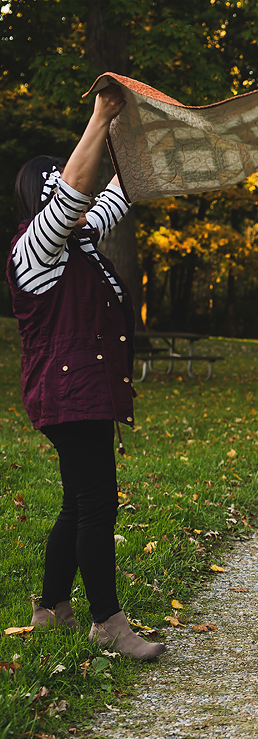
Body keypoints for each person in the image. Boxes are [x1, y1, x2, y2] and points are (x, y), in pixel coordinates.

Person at [6, 86, 166, 660]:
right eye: (58, 183)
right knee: (97, 503)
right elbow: (74, 196)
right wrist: (98, 118)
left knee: (78, 501)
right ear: (41, 198)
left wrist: (146, 136)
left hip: (84, 391)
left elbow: (119, 192)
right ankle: (107, 622)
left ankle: (51, 608)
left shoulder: (80, 242)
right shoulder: (37, 248)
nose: (71, 186)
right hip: (68, 393)